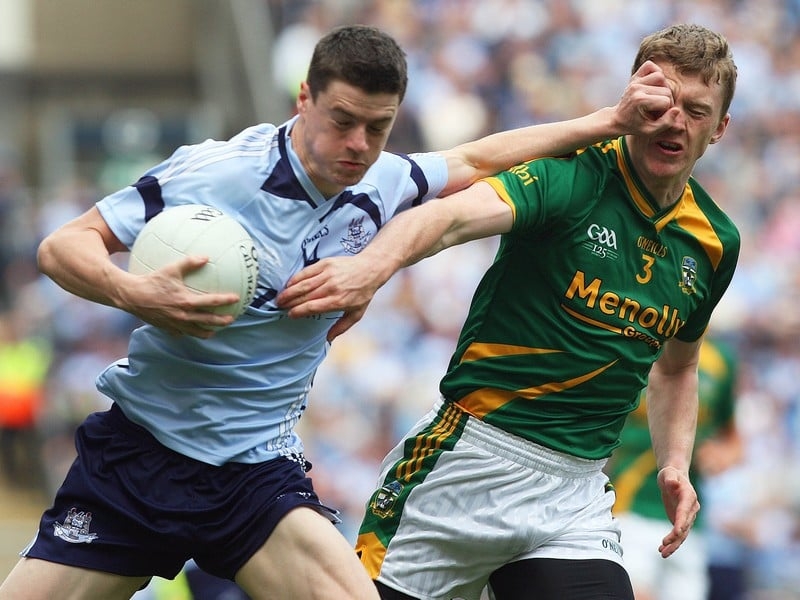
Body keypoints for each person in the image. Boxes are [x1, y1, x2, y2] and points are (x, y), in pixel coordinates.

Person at [0, 24, 675, 600]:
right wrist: (135, 293)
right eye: (342, 121)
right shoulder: (214, 173)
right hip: (141, 456)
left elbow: (472, 157)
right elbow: (64, 246)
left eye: (377, 128)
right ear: (304, 99)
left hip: (253, 474)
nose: (358, 144)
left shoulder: (382, 181)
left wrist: (608, 123)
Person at [277, 23, 740, 600]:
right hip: (468, 462)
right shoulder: (572, 176)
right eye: (661, 102)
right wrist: (370, 269)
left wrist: (676, 462)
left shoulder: (714, 241)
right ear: (631, 99)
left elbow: (677, 366)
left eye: (696, 111)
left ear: (719, 128)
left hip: (574, 494)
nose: (675, 121)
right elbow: (448, 217)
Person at [605, 336, 743, 600]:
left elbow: (732, 437)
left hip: (688, 519)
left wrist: (720, 456)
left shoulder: (720, 360)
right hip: (630, 503)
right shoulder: (636, 344)